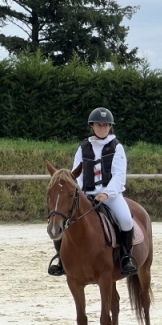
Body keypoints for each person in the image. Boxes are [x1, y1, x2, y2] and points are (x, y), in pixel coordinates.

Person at [48, 107, 138, 277]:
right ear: (92, 126)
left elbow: (119, 175)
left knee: (126, 220)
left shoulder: (117, 147)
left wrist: (107, 193)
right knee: (62, 218)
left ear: (110, 127)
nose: (102, 127)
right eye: (99, 124)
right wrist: (80, 192)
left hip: (110, 196)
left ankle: (126, 257)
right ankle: (61, 259)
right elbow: (76, 174)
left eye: (105, 125)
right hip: (86, 194)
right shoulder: (83, 148)